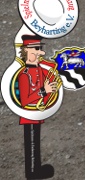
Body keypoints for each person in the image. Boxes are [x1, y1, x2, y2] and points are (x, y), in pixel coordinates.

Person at [13, 35, 57, 179]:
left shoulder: (38, 70)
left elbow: (52, 70)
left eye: (40, 49)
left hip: (37, 113)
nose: (40, 52)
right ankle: (32, 172)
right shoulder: (24, 75)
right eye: (36, 49)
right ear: (26, 51)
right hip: (29, 114)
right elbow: (25, 100)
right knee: (31, 142)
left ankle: (35, 170)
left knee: (35, 142)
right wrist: (44, 91)